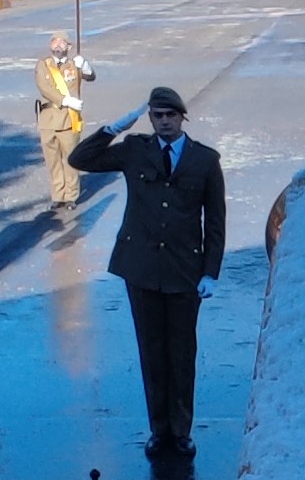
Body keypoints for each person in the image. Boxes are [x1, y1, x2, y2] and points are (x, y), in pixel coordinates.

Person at [69, 85, 226, 460]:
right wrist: (115, 127)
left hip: (185, 271)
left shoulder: (204, 160)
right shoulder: (135, 150)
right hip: (141, 269)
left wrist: (211, 272)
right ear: (150, 118)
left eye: (170, 115)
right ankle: (159, 429)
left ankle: (181, 429)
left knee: (182, 352)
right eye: (157, 116)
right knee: (152, 353)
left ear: (182, 117)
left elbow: (215, 222)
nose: (164, 122)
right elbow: (80, 159)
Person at [34, 33, 95, 212]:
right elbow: (44, 88)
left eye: (62, 42)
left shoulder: (73, 65)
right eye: (55, 41)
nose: (58, 44)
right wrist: (66, 100)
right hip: (48, 117)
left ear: (68, 47)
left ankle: (71, 195)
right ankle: (58, 195)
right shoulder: (43, 65)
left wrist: (85, 65)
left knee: (70, 158)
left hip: (69, 119)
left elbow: (91, 77)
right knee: (52, 160)